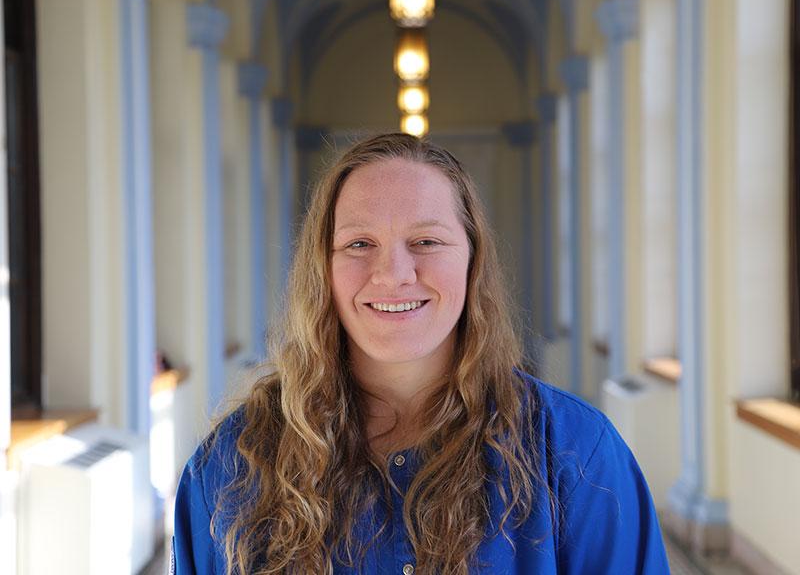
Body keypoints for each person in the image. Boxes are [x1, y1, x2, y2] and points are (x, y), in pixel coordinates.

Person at [172, 133, 670, 574]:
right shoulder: (231, 467)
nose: (393, 273)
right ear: (321, 267)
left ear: (473, 261)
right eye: (359, 242)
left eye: (427, 240)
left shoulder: (577, 456)